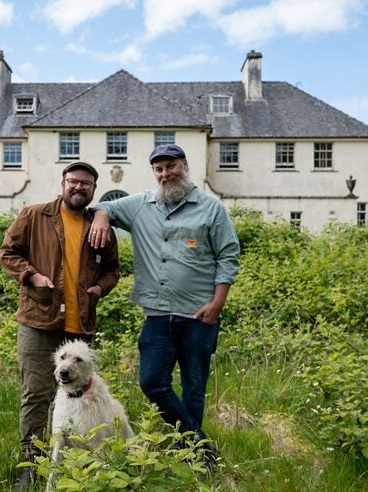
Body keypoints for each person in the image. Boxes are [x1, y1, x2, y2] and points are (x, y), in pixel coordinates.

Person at [87, 143, 239, 463]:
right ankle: (199, 445)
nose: (165, 174)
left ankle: (191, 457)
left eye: (171, 166)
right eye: (159, 169)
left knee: (194, 387)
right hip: (156, 316)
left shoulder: (211, 209)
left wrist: (217, 304)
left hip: (200, 316)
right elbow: (105, 206)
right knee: (152, 382)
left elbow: (228, 256)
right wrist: (102, 217)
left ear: (184, 165)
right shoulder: (141, 205)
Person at [0, 161, 120, 489]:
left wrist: (99, 289)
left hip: (79, 326)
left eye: (86, 184)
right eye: (73, 181)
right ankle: (31, 465)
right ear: (63, 184)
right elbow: (8, 253)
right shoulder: (34, 215)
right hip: (39, 320)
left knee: (77, 396)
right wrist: (32, 275)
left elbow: (113, 270)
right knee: (37, 394)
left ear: (94, 190)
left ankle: (73, 462)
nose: (78, 187)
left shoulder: (99, 225)